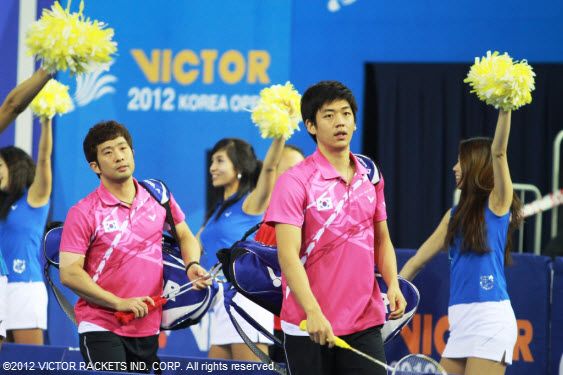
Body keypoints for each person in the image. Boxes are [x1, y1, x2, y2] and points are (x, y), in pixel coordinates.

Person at [265, 80, 406, 375]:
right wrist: (313, 312)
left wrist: (392, 282)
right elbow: (288, 256)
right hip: (309, 324)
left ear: (354, 122)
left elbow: (382, 239)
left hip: (364, 321)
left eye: (345, 114)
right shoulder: (295, 181)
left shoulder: (371, 174)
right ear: (311, 126)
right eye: (328, 115)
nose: (340, 122)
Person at [59, 121, 205, 372]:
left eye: (123, 148)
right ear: (95, 166)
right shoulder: (84, 212)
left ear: (133, 153)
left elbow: (185, 235)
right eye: (108, 152)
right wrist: (117, 302)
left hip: (146, 324)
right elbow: (69, 272)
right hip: (101, 324)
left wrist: (191, 264)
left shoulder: (157, 196)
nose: (118, 156)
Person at [399, 110, 521, 375]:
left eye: (460, 161)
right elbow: (416, 261)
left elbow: (499, 152)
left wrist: (505, 109)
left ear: (477, 164)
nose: (454, 168)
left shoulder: (498, 204)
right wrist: (391, 296)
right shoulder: (453, 216)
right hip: (461, 324)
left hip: (490, 320)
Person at [199, 136, 285, 361]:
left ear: (238, 167)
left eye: (219, 161)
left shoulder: (250, 203)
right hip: (223, 301)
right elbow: (191, 245)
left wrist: (281, 132)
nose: (212, 168)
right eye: (212, 161)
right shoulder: (217, 211)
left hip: (246, 299)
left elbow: (269, 169)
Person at [0, 67, 51, 349]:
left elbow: (43, 160)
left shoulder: (33, 201)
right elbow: (10, 106)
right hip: (3, 284)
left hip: (22, 286)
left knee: (27, 362)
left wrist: (46, 122)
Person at [254, 145, 306, 364]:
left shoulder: (311, 218)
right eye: (287, 171)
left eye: (300, 171)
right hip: (261, 322)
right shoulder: (263, 209)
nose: (297, 179)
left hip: (296, 325)